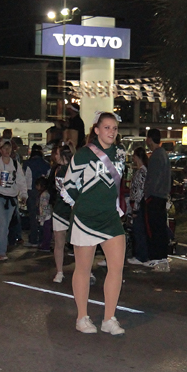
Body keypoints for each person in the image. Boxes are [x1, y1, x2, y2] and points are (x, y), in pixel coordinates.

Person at [64, 111, 127, 335]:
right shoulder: (83, 154)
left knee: (117, 267)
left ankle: (109, 318)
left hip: (110, 217)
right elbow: (69, 183)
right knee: (83, 268)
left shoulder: (121, 152)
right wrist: (77, 205)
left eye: (114, 128)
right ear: (97, 130)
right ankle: (82, 317)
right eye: (107, 127)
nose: (111, 132)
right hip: (86, 218)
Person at [0, 139, 27, 261]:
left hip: (11, 198)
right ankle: (0, 252)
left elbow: (21, 180)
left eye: (9, 148)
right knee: (3, 223)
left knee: (5, 225)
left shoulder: (15, 164)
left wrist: (24, 195)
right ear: (0, 150)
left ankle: (1, 249)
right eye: (5, 148)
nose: (7, 151)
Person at [144, 128, 171, 272]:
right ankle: (161, 257)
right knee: (160, 227)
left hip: (154, 196)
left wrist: (147, 194)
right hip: (162, 195)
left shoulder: (155, 156)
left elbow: (153, 179)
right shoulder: (163, 154)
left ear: (149, 139)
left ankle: (156, 257)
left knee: (154, 227)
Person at [51, 142, 74, 283]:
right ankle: (85, 272)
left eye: (57, 153)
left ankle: (60, 272)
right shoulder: (75, 169)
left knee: (59, 244)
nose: (55, 156)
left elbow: (64, 192)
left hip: (62, 210)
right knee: (80, 245)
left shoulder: (60, 171)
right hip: (72, 211)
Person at [23, 144, 51, 247]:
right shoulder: (46, 164)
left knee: (33, 217)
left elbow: (26, 179)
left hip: (32, 191)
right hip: (44, 192)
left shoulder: (27, 164)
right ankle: (43, 239)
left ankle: (33, 239)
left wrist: (24, 194)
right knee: (44, 217)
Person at [128, 146, 149, 266]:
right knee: (140, 230)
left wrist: (135, 207)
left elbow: (139, 191)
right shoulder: (144, 171)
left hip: (139, 204)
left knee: (138, 230)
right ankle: (142, 255)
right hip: (141, 203)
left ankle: (141, 255)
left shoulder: (141, 172)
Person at [36, 176, 53, 251]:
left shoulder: (44, 195)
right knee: (46, 232)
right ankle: (45, 245)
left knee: (46, 233)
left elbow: (44, 208)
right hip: (47, 216)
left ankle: (45, 246)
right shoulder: (46, 193)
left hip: (46, 217)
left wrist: (41, 218)